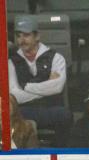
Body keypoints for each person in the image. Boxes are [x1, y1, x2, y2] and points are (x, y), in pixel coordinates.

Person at [8, 15, 72, 147]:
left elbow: (57, 87)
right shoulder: (12, 61)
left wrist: (25, 87)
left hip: (51, 109)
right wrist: (46, 87)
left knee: (65, 115)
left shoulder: (56, 58)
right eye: (19, 36)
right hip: (24, 112)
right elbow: (14, 96)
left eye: (26, 35)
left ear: (37, 36)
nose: (21, 40)